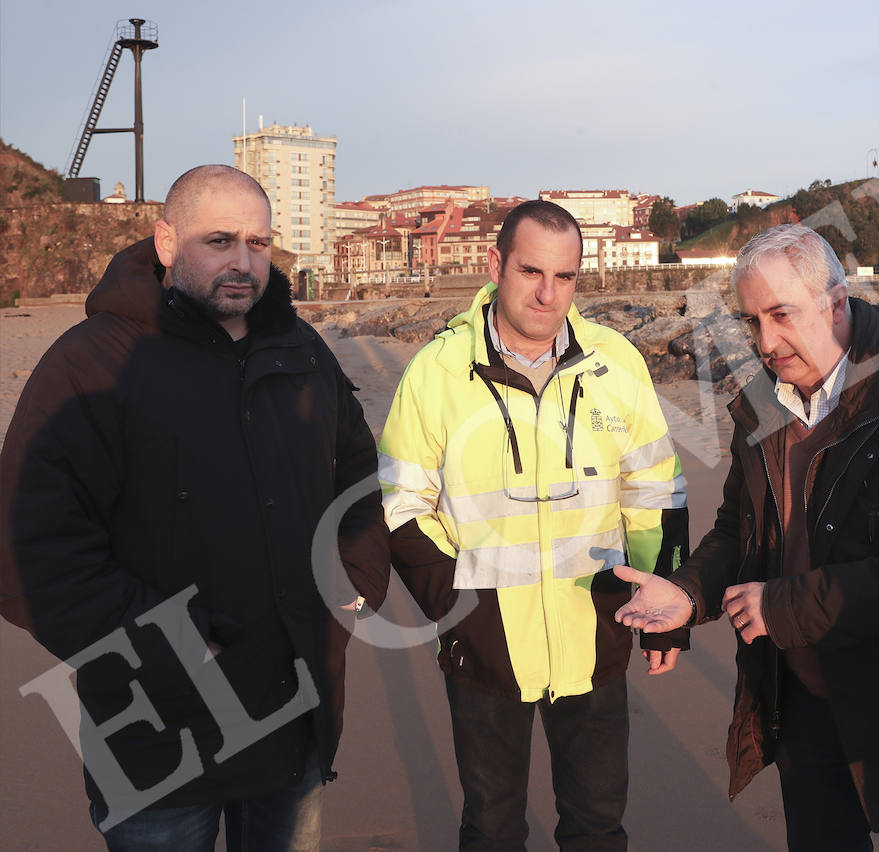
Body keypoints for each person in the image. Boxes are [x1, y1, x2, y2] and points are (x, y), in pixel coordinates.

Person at [0, 164, 390, 851]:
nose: (243, 262)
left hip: (294, 714)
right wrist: (174, 644)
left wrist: (355, 578)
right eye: (219, 241)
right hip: (157, 740)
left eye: (259, 243)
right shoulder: (94, 363)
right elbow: (28, 547)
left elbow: (355, 467)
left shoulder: (300, 350)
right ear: (166, 242)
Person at [614, 224, 879, 852]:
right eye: (751, 320)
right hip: (805, 702)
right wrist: (688, 594)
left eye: (781, 314)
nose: (765, 342)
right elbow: (738, 527)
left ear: (836, 304)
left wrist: (782, 606)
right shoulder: (762, 405)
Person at [378, 199, 689, 851]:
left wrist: (666, 610)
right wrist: (458, 609)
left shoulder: (615, 362)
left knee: (597, 826)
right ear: (496, 266)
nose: (548, 294)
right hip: (483, 641)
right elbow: (400, 503)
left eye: (565, 276)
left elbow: (656, 489)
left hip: (596, 628)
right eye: (531, 272)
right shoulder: (437, 371)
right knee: (491, 829)